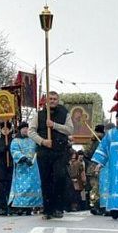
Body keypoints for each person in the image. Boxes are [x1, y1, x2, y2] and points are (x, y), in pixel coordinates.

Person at [29, 91, 74, 219]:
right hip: (44, 151)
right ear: (46, 101)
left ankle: (58, 207)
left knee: (59, 177)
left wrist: (54, 125)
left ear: (58, 100)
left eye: (55, 99)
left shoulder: (65, 113)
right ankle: (48, 209)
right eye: (50, 99)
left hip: (60, 151)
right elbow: (31, 131)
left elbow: (70, 129)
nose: (53, 101)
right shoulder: (39, 115)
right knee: (46, 180)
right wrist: (42, 141)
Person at [9, 122, 43, 213]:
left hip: (33, 168)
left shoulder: (33, 140)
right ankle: (21, 206)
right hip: (22, 168)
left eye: (27, 128)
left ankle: (31, 206)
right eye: (23, 128)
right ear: (20, 130)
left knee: (32, 187)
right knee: (22, 187)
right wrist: (23, 158)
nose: (25, 130)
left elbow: (38, 149)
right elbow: (14, 151)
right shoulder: (15, 141)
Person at [0, 121, 14, 216]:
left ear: (10, 130)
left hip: (10, 166)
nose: (5, 131)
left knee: (10, 188)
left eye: (7, 129)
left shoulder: (13, 141)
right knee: (1, 189)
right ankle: (2, 207)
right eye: (3, 129)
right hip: (0, 167)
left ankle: (10, 207)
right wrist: (3, 149)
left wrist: (10, 149)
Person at [83, 124, 105, 215]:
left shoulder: (104, 141)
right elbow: (86, 153)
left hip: (102, 168)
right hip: (92, 168)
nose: (97, 134)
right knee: (94, 188)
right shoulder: (92, 141)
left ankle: (101, 206)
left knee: (101, 187)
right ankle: (95, 205)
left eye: (99, 132)